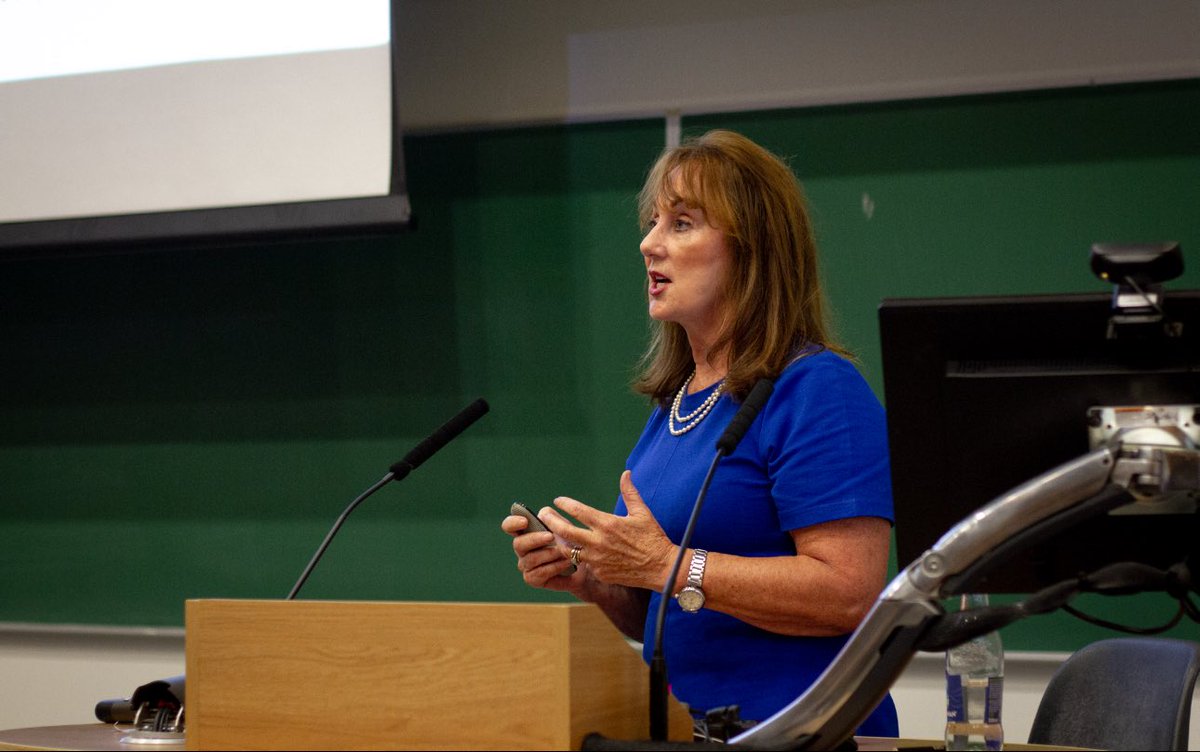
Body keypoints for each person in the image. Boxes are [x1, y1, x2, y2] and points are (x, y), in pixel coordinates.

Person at [501, 129, 898, 737]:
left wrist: (669, 565)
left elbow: (849, 592)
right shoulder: (678, 404)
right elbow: (666, 610)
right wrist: (596, 580)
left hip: (811, 735)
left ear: (752, 250)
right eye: (653, 222)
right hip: (699, 731)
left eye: (681, 224)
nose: (648, 244)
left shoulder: (817, 389)